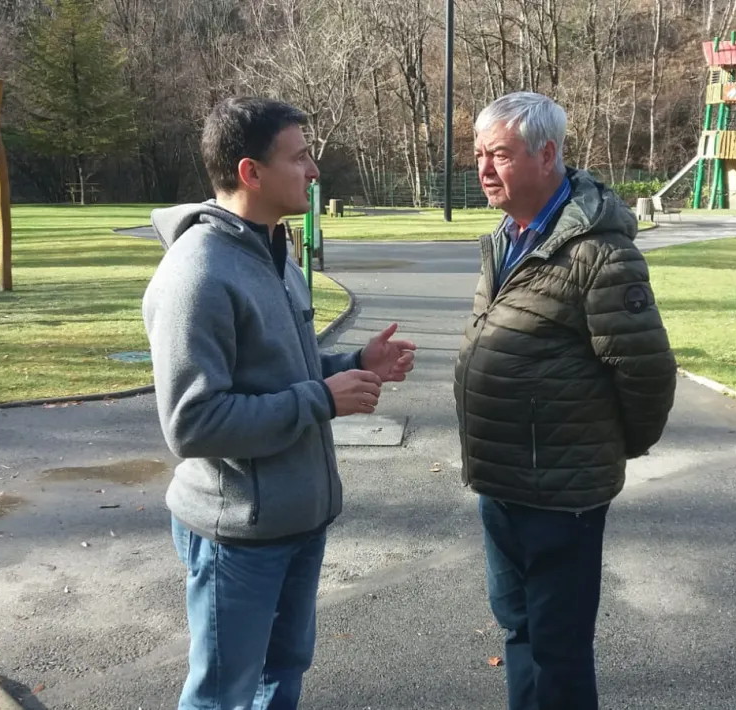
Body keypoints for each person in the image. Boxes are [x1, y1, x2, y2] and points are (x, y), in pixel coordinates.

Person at [142, 97, 415, 710]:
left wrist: (352, 367)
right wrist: (321, 398)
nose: (315, 171)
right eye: (300, 157)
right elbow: (193, 423)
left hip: (298, 520)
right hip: (236, 533)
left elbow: (282, 371)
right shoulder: (198, 274)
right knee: (222, 695)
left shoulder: (276, 254)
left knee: (282, 675)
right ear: (250, 173)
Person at [453, 91, 677, 710]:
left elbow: (648, 372)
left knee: (559, 647)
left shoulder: (600, 253)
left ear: (547, 154)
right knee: (520, 629)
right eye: (477, 154)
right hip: (501, 483)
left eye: (498, 154)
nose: (482, 169)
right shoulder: (506, 237)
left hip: (561, 495)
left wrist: (606, 450)